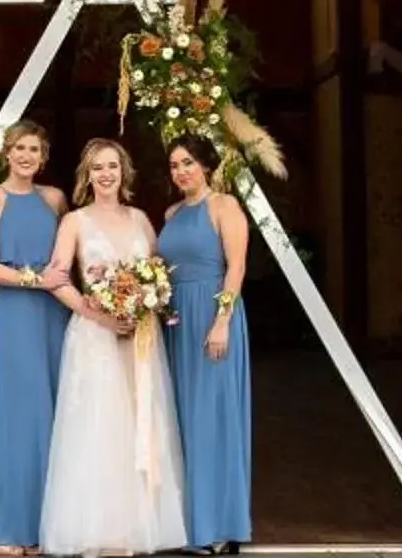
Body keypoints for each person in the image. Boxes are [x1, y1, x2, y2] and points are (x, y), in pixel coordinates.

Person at [35, 137, 188, 556]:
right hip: (95, 337)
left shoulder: (140, 219)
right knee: (100, 428)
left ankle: (139, 526)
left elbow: (158, 273)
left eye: (113, 167)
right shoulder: (75, 222)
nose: (106, 174)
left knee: (141, 420)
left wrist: (145, 303)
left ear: (124, 172)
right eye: (98, 168)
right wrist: (100, 314)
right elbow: (57, 278)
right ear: (87, 175)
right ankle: (98, 529)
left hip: (140, 338)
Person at [0, 121, 69, 555]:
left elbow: (70, 255)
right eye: (19, 148)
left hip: (55, 314)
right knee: (17, 416)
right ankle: (10, 526)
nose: (27, 155)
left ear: (43, 157)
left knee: (56, 412)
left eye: (35, 149)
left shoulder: (55, 199)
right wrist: (33, 280)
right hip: (15, 314)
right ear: (6, 153)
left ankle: (50, 525)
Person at [160, 135, 251, 554]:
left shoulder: (224, 206)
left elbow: (236, 268)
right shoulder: (171, 212)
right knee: (182, 419)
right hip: (177, 320)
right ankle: (187, 522)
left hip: (213, 316)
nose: (181, 171)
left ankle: (219, 526)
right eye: (175, 164)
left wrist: (222, 320)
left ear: (207, 166)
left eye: (189, 163)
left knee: (213, 419)